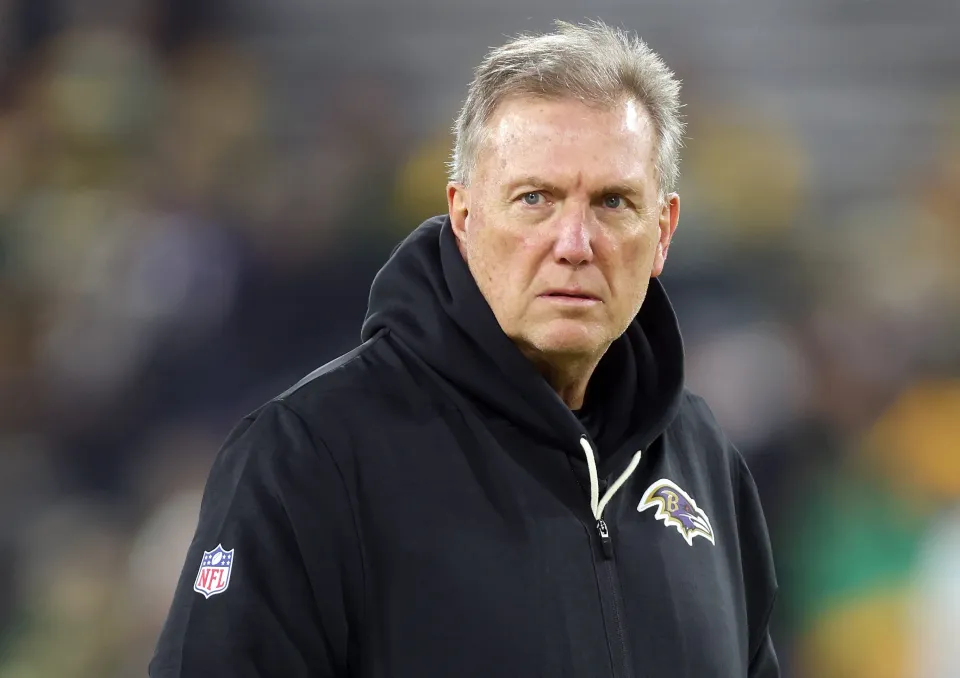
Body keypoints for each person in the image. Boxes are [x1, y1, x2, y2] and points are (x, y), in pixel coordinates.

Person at [150, 19, 780, 678]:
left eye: (613, 202)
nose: (574, 242)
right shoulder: (312, 455)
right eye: (534, 198)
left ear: (663, 231)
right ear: (465, 215)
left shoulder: (704, 462)